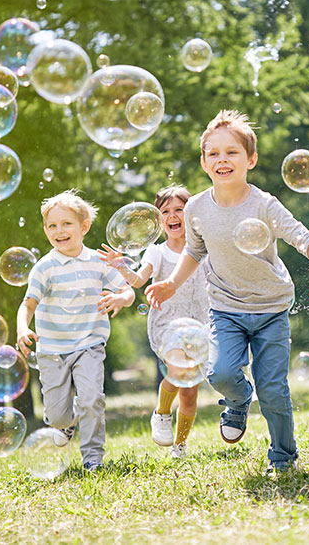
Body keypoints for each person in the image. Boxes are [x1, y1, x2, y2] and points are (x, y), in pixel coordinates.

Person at [146, 109, 309, 474]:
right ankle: (238, 402)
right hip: (225, 308)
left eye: (232, 152)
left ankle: (283, 458)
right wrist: (171, 283)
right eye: (214, 153)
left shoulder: (263, 204)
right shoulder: (196, 208)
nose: (223, 159)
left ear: (250, 159)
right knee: (220, 373)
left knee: (273, 390)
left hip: (271, 307)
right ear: (204, 162)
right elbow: (194, 250)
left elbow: (305, 237)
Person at [16, 189, 135, 471]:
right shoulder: (44, 268)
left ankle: (93, 458)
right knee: (57, 415)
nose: (59, 231)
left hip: (89, 345)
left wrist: (121, 298)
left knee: (92, 399)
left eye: (66, 224)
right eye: (52, 225)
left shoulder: (98, 261)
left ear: (83, 227)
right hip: (52, 350)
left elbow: (127, 290)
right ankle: (66, 426)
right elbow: (27, 304)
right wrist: (22, 328)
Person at [98, 184, 210, 459]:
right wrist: (121, 266)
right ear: (159, 221)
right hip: (167, 323)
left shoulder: (206, 247)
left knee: (190, 393)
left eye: (179, 210)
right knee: (177, 372)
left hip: (201, 324)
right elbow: (138, 280)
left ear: (191, 214)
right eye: (166, 212)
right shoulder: (156, 253)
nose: (173, 216)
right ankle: (161, 413)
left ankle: (180, 445)